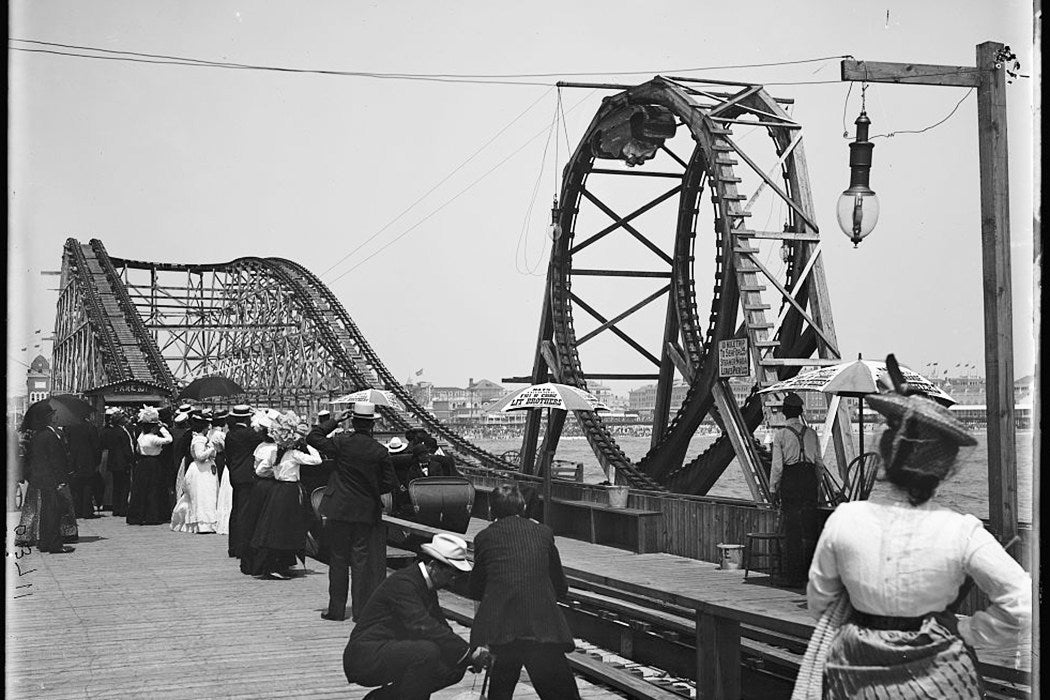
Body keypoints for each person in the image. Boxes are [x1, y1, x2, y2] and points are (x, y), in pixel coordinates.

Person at [806, 383, 1031, 698]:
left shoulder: (844, 520)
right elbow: (1022, 601)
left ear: (885, 451)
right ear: (943, 468)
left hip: (856, 675)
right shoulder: (960, 531)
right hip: (941, 678)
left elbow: (819, 602)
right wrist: (969, 630)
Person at [344, 533, 490, 699]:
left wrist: (468, 656)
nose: (452, 581)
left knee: (454, 666)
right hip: (365, 657)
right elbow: (423, 625)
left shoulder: (424, 583)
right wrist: (468, 652)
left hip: (392, 649)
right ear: (434, 566)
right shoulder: (404, 584)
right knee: (427, 652)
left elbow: (440, 626)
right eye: (451, 575)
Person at [470, 483, 579, 699]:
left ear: (491, 510)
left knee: (500, 690)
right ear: (523, 507)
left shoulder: (484, 538)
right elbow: (560, 586)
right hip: (543, 627)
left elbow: (475, 588)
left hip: (503, 630)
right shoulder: (543, 533)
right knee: (563, 694)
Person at [307, 401, 400, 621]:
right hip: (365, 511)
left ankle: (336, 610)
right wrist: (372, 489)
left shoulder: (342, 443)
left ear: (353, 422)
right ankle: (361, 611)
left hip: (338, 509)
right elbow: (390, 483)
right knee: (361, 562)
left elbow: (313, 438)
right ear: (372, 426)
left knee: (338, 559)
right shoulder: (380, 451)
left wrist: (334, 420)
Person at [242, 412, 322, 579]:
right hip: (291, 492)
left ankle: (273, 564)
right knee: (287, 529)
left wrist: (275, 473)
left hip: (277, 491)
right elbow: (317, 460)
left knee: (274, 529)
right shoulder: (294, 455)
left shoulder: (273, 453)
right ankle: (281, 564)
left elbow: (259, 471)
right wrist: (306, 444)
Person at [769, 391, 824, 587]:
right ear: (800, 412)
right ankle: (809, 575)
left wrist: (773, 489)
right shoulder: (812, 434)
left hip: (791, 481)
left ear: (785, 413)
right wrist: (817, 486)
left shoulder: (781, 435)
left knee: (792, 530)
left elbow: (777, 467)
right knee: (809, 530)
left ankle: (793, 576)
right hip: (808, 480)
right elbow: (819, 464)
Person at [20, 401, 76, 554]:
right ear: (49, 418)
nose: (56, 417)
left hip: (42, 479)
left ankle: (44, 542)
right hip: (51, 480)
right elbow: (55, 461)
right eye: (53, 415)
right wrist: (61, 480)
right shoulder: (50, 436)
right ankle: (54, 544)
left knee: (46, 512)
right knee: (53, 512)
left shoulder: (39, 436)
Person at [224, 404, 265, 558]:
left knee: (236, 511)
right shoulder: (249, 434)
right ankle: (243, 548)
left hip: (235, 475)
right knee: (245, 513)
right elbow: (265, 435)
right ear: (247, 417)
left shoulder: (230, 434)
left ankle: (234, 546)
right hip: (248, 476)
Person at [170, 409, 220, 533]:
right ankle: (201, 522)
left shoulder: (202, 438)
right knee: (201, 495)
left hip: (206, 469)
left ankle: (209, 522)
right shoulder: (199, 439)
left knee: (208, 494)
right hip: (200, 470)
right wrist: (211, 450)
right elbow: (199, 456)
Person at [127, 407, 173, 525]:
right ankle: (152, 515)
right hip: (153, 463)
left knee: (140, 490)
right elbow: (169, 439)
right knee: (153, 489)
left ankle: (137, 515)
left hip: (142, 463)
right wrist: (162, 428)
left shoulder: (141, 437)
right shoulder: (153, 438)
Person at [65, 412, 102, 519]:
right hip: (88, 461)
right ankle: (87, 510)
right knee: (88, 486)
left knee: (76, 487)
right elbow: (96, 447)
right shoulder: (90, 427)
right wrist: (97, 461)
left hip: (74, 461)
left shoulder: (69, 428)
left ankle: (77, 510)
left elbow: (67, 445)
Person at [100, 407, 134, 517]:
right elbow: (126, 448)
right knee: (124, 486)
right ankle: (122, 508)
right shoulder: (122, 432)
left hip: (113, 461)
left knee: (116, 486)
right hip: (122, 462)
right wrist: (130, 459)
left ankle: (116, 507)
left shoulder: (111, 431)